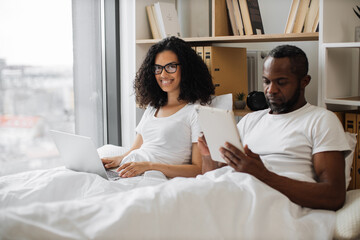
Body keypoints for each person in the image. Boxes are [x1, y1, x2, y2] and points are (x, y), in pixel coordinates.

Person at [198, 45, 351, 211]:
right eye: (266, 81)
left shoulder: (321, 120)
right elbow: (212, 176)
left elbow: (334, 196)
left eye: (281, 82)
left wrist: (262, 175)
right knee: (177, 195)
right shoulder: (251, 120)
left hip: (269, 203)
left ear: (304, 82)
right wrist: (208, 156)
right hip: (230, 190)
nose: (271, 90)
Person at [102, 36, 215, 178]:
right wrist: (116, 160)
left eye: (171, 67)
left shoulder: (195, 112)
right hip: (130, 171)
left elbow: (198, 169)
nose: (163, 74)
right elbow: (135, 149)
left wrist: (149, 166)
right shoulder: (153, 107)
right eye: (158, 68)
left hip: (152, 176)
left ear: (186, 69)